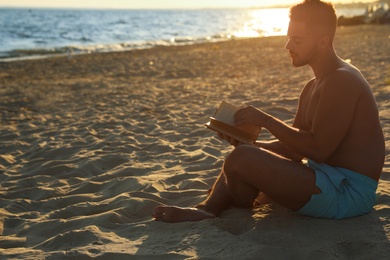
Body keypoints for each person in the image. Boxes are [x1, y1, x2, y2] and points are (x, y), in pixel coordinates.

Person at [153, 0, 385, 222]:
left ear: (323, 42)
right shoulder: (312, 86)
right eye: (288, 38)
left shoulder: (342, 80)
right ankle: (212, 205)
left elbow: (318, 150)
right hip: (324, 178)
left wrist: (266, 121)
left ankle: (208, 210)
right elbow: (294, 151)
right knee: (243, 154)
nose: (288, 46)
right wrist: (246, 143)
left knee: (242, 159)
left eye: (297, 40)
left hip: (348, 192)